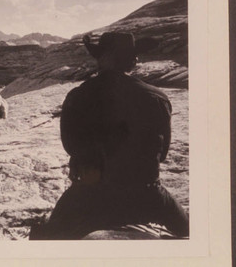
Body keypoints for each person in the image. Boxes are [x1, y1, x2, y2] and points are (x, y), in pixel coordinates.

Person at [29, 32, 189, 240]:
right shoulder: (158, 97)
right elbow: (163, 152)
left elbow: (71, 146)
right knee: (192, 235)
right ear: (131, 61)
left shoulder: (77, 97)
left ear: (100, 58)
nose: (137, 59)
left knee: (45, 238)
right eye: (134, 55)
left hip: (90, 192)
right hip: (147, 194)